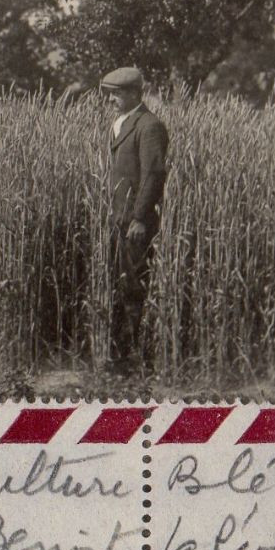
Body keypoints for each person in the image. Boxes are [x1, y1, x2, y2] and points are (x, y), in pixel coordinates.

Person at [100, 66, 168, 374]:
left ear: (133, 94)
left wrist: (139, 218)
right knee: (120, 283)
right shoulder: (120, 123)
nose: (110, 100)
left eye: (116, 94)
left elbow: (153, 174)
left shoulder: (149, 125)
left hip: (135, 222)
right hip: (118, 218)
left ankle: (135, 360)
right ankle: (120, 356)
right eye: (110, 94)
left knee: (134, 287)